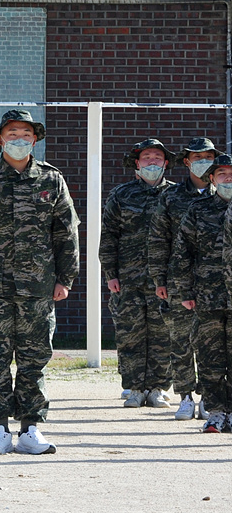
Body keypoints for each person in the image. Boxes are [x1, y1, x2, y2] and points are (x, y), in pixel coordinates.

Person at [0, 109, 79, 455]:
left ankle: (31, 428)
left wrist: (65, 278)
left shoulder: (51, 180)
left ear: (34, 139)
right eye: (12, 134)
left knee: (34, 358)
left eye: (25, 134)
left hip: (37, 286)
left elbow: (66, 234)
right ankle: (0, 429)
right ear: (1, 139)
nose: (19, 140)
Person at [101, 139, 177, 409]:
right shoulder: (121, 195)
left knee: (162, 335)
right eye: (146, 158)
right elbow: (109, 236)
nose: (152, 162)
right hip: (128, 279)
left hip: (164, 280)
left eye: (157, 157)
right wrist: (110, 274)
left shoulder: (175, 196)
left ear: (166, 163)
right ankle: (133, 388)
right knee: (129, 335)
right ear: (137, 163)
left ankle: (157, 388)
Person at [149, 137, 221, 421]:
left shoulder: (224, 195)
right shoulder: (172, 197)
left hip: (215, 283)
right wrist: (159, 279)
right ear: (187, 162)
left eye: (208, 157)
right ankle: (186, 396)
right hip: (179, 280)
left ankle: (209, 397)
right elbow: (159, 239)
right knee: (180, 341)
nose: (203, 162)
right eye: (197, 157)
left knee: (212, 343)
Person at [171, 155, 232, 432]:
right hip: (208, 298)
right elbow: (182, 252)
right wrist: (184, 290)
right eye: (222, 174)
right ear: (211, 179)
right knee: (210, 358)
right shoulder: (199, 210)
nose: (228, 179)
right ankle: (217, 411)